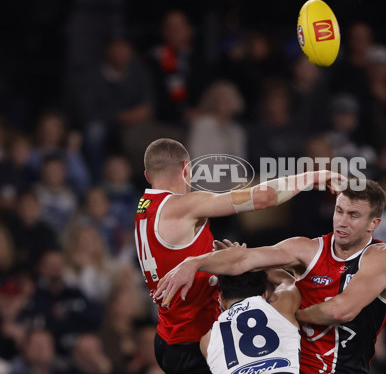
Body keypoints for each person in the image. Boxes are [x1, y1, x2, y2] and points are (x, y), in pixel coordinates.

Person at [136, 138, 344, 374]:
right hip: (198, 342)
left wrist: (211, 259)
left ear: (147, 176)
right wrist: (313, 176)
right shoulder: (183, 206)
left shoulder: (144, 208)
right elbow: (264, 197)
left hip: (168, 338)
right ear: (187, 169)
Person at [155, 179, 386, 374]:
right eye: (339, 211)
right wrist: (194, 262)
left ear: (373, 223)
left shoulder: (382, 258)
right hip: (293, 367)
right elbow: (244, 258)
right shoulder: (307, 249)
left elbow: (340, 311)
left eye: (353, 215)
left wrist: (292, 315)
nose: (342, 222)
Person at [201, 269, 301, 374]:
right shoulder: (282, 306)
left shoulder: (207, 341)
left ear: (221, 299)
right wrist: (251, 262)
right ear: (265, 294)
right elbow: (289, 281)